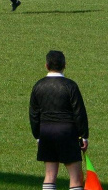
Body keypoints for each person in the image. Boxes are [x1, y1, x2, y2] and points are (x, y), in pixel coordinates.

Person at [29, 50, 89, 190]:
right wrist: (84, 136)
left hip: (47, 132)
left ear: (46, 65)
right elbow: (79, 113)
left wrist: (38, 136)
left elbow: (33, 114)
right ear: (65, 65)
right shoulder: (70, 86)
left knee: (50, 175)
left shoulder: (38, 86)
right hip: (67, 133)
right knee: (75, 177)